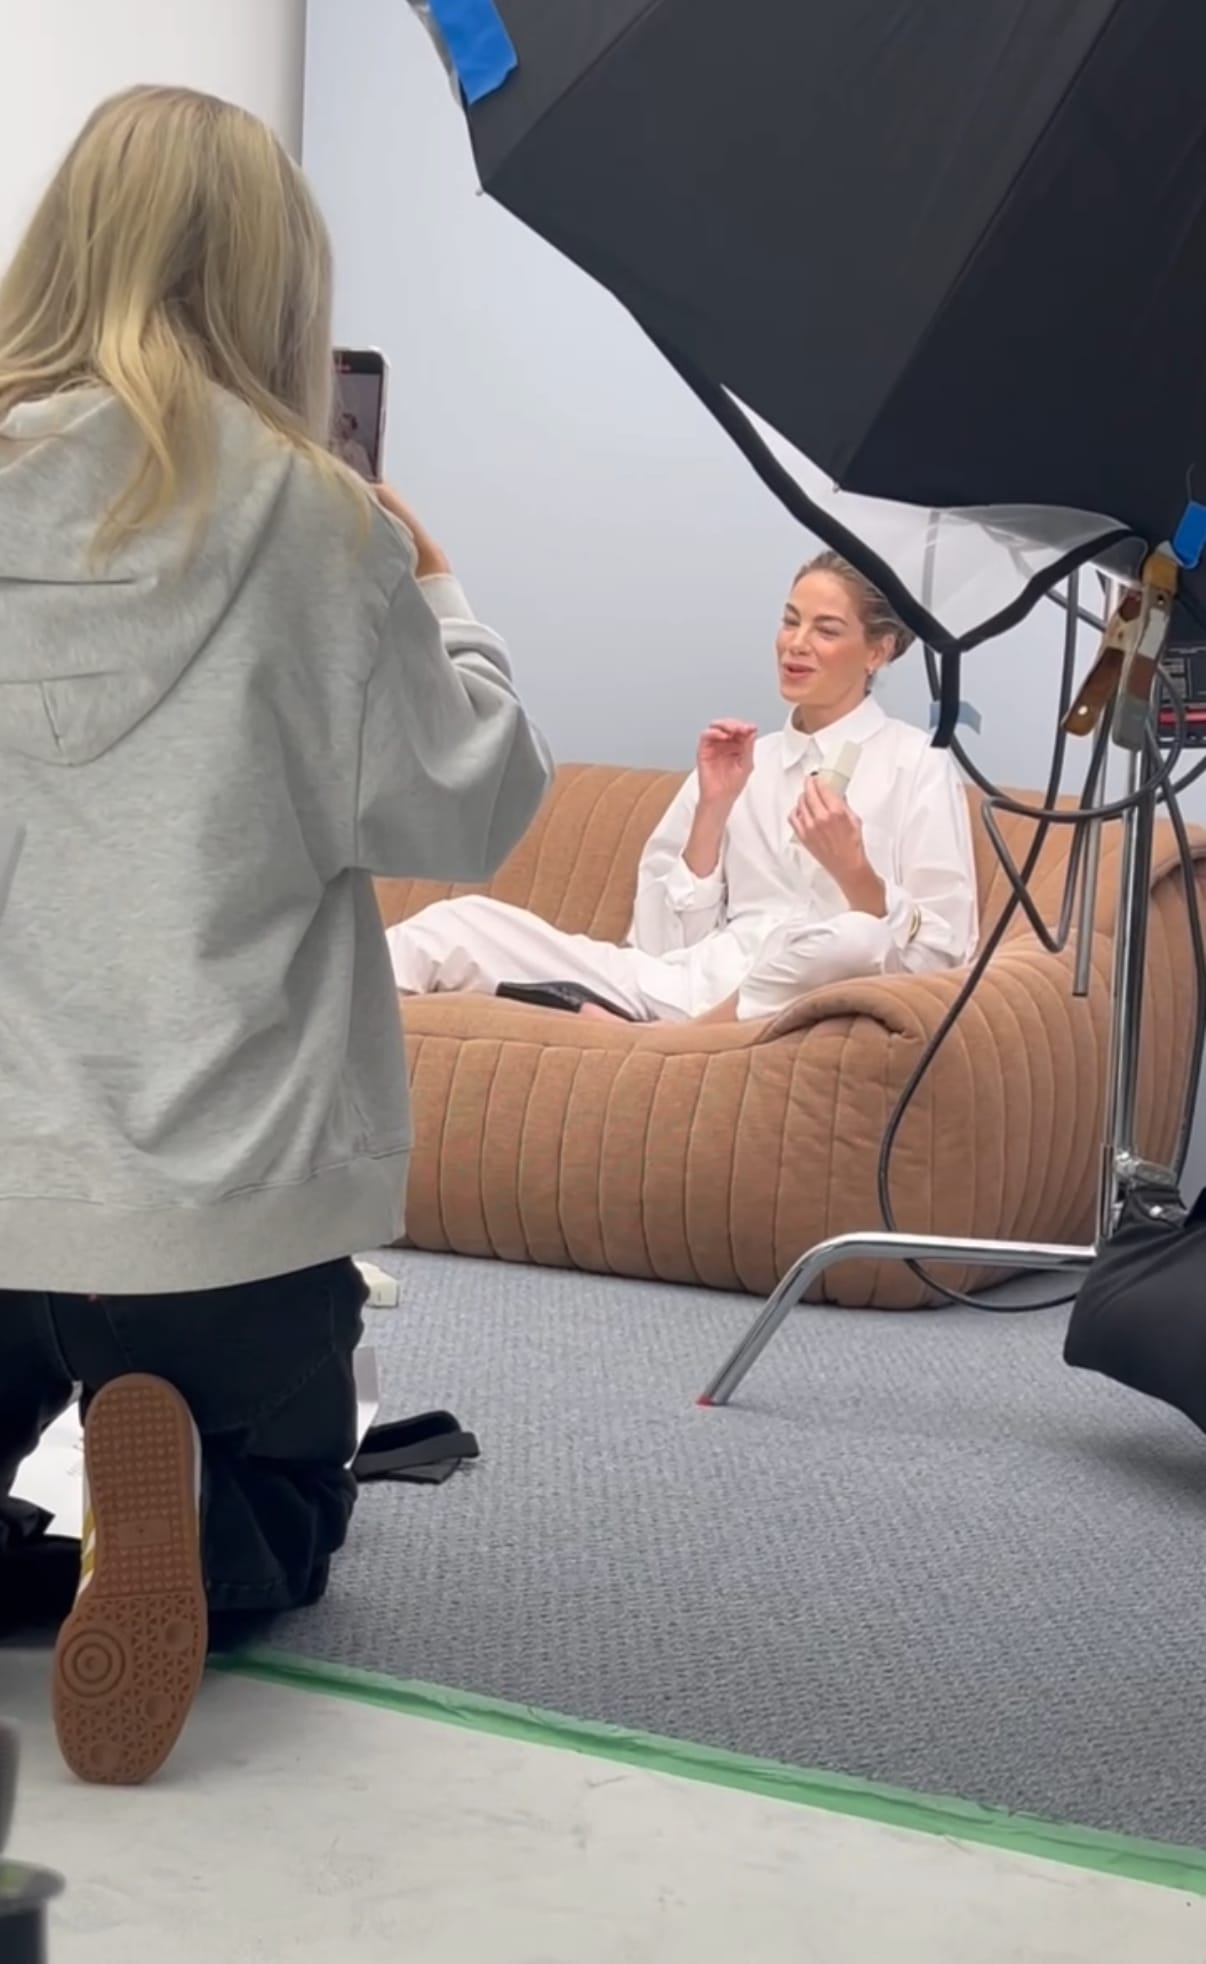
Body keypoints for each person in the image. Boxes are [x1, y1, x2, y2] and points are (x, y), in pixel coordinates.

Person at [0, 86, 550, 1785]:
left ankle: (50, 1537)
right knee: (294, 1511)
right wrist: (436, 588)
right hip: (227, 1211)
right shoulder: (322, 524)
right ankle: (193, 1507)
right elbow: (468, 805)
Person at [387, 553, 978, 1024]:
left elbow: (946, 952)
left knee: (852, 938)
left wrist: (855, 874)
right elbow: (657, 945)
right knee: (455, 925)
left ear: (878, 651)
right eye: (789, 620)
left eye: (825, 630)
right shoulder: (746, 763)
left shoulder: (916, 765)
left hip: (794, 1003)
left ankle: (681, 1044)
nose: (796, 644)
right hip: (680, 986)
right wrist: (712, 812)